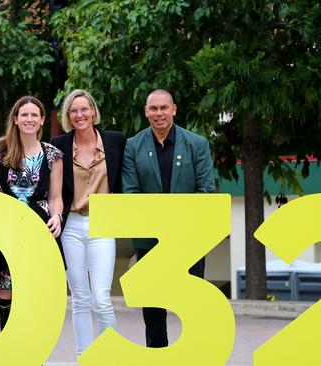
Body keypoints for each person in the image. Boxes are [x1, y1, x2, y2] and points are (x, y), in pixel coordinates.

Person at [121, 89, 215, 347]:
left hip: (188, 241)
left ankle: (198, 353)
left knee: (194, 303)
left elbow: (206, 190)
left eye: (164, 108)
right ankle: (157, 355)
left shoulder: (197, 144)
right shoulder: (132, 146)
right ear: (146, 112)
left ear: (174, 109)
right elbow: (131, 193)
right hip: (149, 241)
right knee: (152, 308)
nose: (159, 113)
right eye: (154, 109)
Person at [50, 89, 125, 356]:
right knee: (80, 299)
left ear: (93, 111)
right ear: (68, 116)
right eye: (73, 111)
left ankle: (111, 355)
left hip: (102, 224)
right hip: (70, 226)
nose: (79, 115)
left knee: (102, 299)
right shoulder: (58, 145)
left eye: (84, 109)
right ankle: (85, 356)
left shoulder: (116, 142)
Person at [0, 96, 64, 330]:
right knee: (6, 290)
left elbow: (55, 198)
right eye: (24, 115)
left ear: (41, 121)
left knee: (35, 291)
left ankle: (33, 352)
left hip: (39, 228)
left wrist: (57, 216)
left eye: (34, 115)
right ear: (16, 120)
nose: (29, 119)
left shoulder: (53, 155)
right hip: (6, 228)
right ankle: (10, 352)